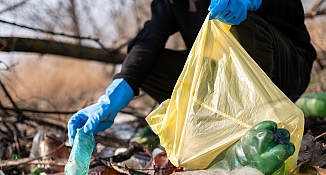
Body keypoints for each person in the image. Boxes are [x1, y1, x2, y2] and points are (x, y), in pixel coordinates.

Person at [67, 0, 316, 146]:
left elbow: (291, 8)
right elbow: (148, 40)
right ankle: (221, 128)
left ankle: (259, 131)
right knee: (149, 65)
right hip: (225, 81)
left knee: (242, 25)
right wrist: (114, 95)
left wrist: (252, 1)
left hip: (285, 73)